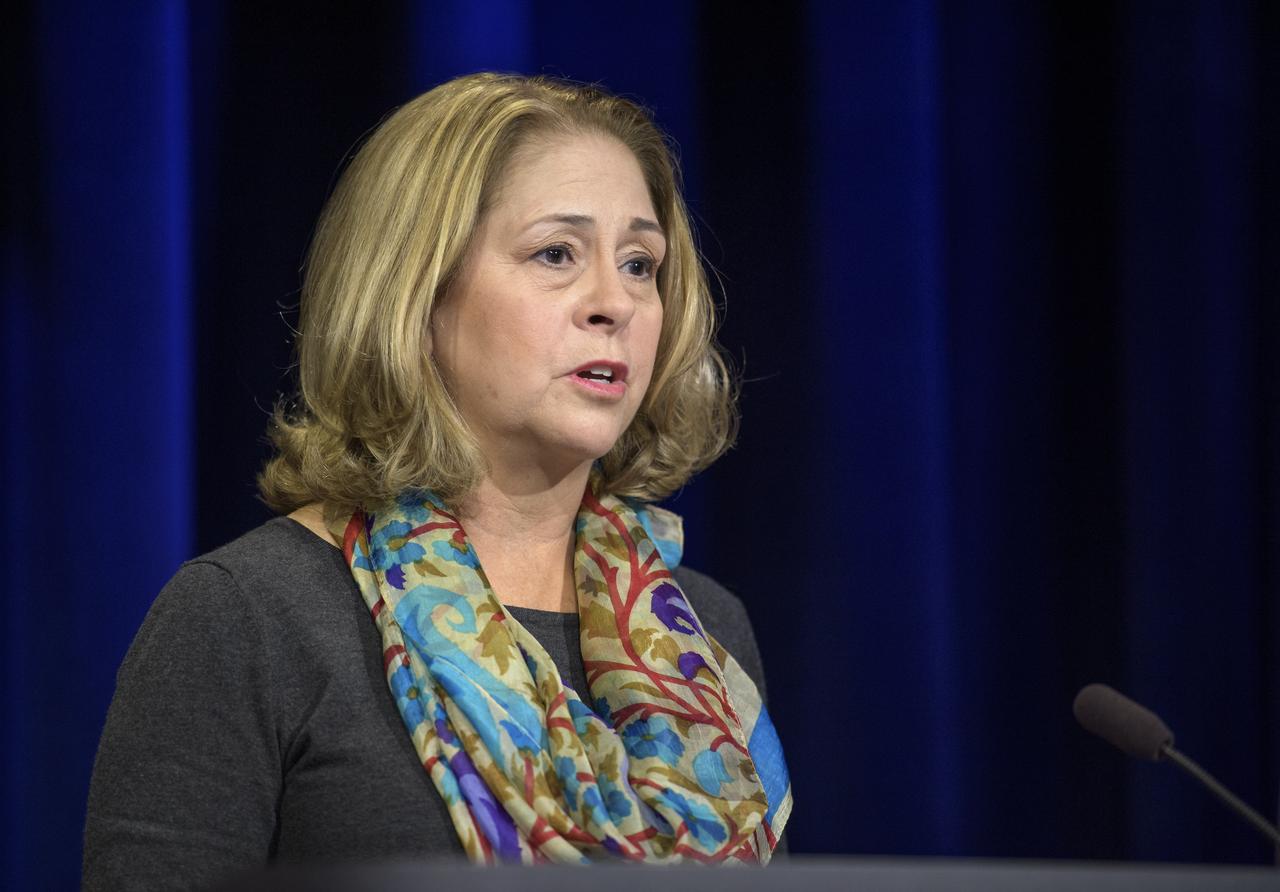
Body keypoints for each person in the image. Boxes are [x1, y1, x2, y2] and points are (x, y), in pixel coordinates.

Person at [83, 73, 792, 888]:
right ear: (416, 293)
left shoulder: (706, 629)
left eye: (640, 263)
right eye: (556, 253)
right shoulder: (249, 617)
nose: (615, 303)